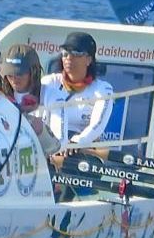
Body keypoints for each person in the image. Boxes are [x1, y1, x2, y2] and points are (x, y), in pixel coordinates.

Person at [40, 30, 115, 164]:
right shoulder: (48, 82)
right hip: (51, 143)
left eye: (75, 53)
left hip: (81, 150)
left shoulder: (103, 89)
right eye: (65, 53)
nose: (68, 58)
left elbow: (97, 125)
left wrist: (76, 142)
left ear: (89, 60)